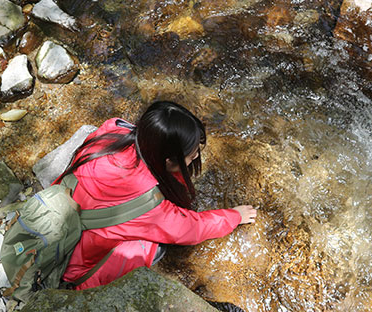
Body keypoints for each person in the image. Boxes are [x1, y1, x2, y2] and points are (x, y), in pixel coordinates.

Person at [54, 100, 257, 289]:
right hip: (73, 269)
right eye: (193, 154)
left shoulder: (114, 128)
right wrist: (234, 216)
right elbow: (190, 228)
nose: (196, 156)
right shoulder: (148, 204)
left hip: (56, 226)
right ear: (169, 161)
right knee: (155, 246)